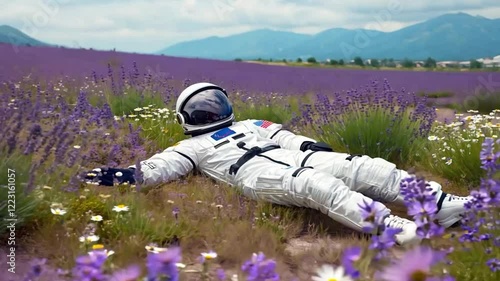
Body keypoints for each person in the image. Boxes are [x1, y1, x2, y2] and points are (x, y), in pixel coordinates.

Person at [84, 82, 471, 246]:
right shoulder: (192, 149)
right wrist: (122, 176)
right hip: (258, 175)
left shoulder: (252, 123)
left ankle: (440, 206)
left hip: (292, 155)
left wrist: (312, 147)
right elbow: (156, 170)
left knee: (368, 167)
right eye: (205, 108)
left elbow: (287, 137)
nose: (212, 111)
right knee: (316, 186)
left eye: (214, 103)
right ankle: (389, 226)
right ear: (189, 118)